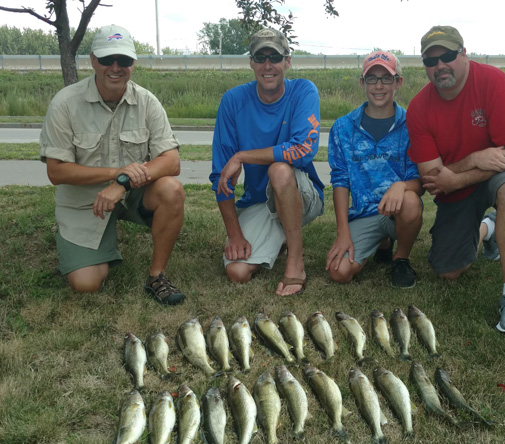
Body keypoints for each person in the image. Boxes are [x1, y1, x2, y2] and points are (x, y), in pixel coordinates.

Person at [39, 24, 186, 305]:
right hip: (85, 202)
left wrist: (122, 183)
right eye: (107, 60)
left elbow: (172, 161)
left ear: (133, 63)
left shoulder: (147, 102)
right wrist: (116, 173)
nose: (115, 67)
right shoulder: (64, 104)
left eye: (124, 60)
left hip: (131, 193)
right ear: (93, 60)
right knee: (87, 283)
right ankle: (80, 242)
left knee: (172, 189)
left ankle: (157, 276)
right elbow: (56, 171)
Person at [407, 26, 505, 335]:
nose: (440, 66)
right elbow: (434, 178)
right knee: (448, 270)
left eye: (448, 56)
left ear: (463, 54)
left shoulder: (493, 81)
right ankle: (488, 228)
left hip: (503, 172)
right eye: (431, 61)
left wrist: (459, 175)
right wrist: (474, 160)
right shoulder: (418, 108)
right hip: (463, 180)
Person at [210, 27, 324, 296]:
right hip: (260, 200)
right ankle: (280, 235)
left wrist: (242, 156)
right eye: (260, 57)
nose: (268, 65)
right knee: (237, 273)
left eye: (275, 56)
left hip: (302, 195)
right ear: (251, 62)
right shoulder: (233, 101)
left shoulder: (304, 91)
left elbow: (303, 150)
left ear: (287, 61)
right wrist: (234, 234)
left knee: (280, 170)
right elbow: (220, 176)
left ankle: (296, 264)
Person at [326, 50, 423, 288]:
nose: (379, 86)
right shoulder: (343, 127)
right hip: (364, 214)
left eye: (386, 78)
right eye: (372, 78)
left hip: (398, 212)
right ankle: (380, 243)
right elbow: (340, 180)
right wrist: (342, 232)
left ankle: (401, 258)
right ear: (362, 82)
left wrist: (401, 186)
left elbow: (420, 181)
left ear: (398, 82)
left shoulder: (412, 125)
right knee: (339, 272)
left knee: (410, 202)